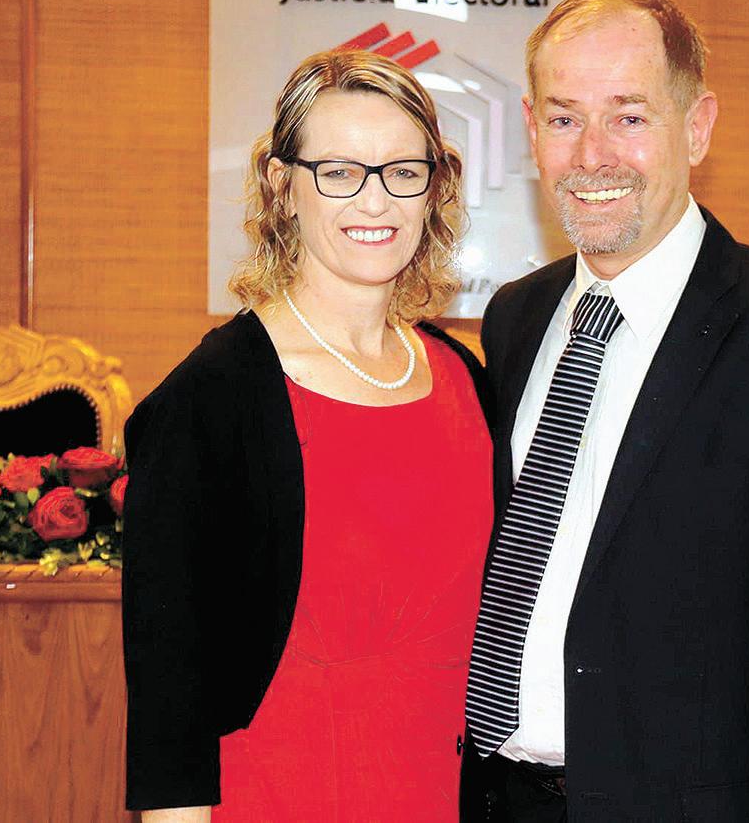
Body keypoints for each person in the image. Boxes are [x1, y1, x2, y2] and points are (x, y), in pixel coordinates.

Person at [460, 0, 749, 821]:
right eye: (563, 118)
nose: (591, 153)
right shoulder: (515, 318)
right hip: (495, 798)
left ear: (696, 126)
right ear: (529, 128)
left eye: (628, 116)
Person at [122, 49, 493, 822]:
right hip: (280, 794)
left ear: (434, 188)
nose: (375, 199)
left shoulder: (464, 378)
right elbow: (169, 699)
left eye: (403, 170)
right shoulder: (210, 398)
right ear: (282, 186)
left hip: (448, 796)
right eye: (339, 171)